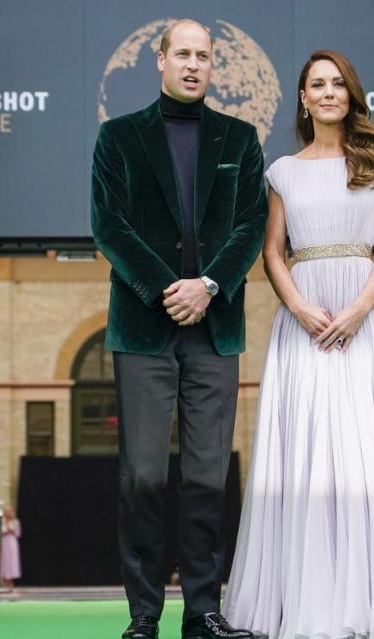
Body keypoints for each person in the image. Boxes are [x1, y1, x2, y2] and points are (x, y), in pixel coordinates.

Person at [223, 50, 374, 639]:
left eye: (336, 84)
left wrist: (356, 311)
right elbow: (272, 251)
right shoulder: (281, 172)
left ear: (350, 94)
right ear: (302, 98)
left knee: (364, 454)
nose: (328, 93)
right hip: (302, 322)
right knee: (306, 452)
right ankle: (303, 602)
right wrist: (298, 306)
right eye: (316, 85)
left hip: (364, 316)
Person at [90, 18, 267, 639]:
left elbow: (250, 227)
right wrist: (171, 288)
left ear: (213, 65)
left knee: (205, 476)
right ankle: (143, 616)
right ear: (159, 60)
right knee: (140, 475)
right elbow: (110, 227)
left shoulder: (241, 139)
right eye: (182, 54)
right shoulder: (117, 138)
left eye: (205, 55)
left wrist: (208, 286)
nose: (194, 64)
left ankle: (203, 611)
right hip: (144, 328)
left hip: (215, 330)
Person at [0, 506, 21, 590]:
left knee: (12, 561)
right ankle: (4, 582)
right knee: (4, 561)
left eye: (9, 511)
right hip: (4, 542)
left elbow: (18, 534)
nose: (7, 513)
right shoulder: (1, 521)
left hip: (12, 542)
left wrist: (11, 530)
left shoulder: (16, 522)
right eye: (6, 511)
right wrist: (5, 531)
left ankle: (11, 583)